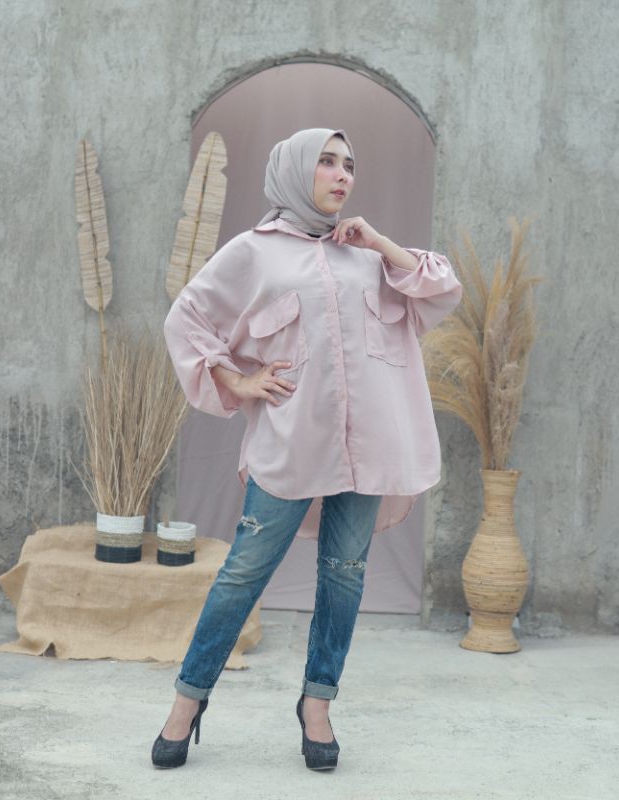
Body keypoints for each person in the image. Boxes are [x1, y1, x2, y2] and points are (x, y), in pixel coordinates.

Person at [153, 128, 463, 771]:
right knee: (243, 573)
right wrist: (238, 380)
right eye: (326, 162)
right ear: (296, 171)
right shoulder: (254, 252)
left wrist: (378, 242)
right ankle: (188, 701)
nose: (342, 174)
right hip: (292, 443)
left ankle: (317, 704)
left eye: (349, 164)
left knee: (345, 574)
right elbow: (187, 318)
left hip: (369, 449)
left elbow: (440, 288)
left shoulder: (367, 255)